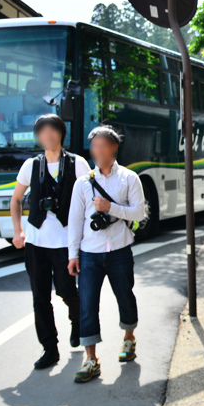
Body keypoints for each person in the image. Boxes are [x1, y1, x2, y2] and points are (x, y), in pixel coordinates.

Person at [10, 114, 91, 370]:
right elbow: (15, 200)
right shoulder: (30, 165)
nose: (48, 135)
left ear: (61, 133)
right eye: (42, 132)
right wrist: (18, 230)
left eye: (52, 130)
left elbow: (89, 199)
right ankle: (49, 349)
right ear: (38, 136)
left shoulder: (78, 164)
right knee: (40, 297)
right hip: (36, 242)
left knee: (67, 291)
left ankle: (77, 321)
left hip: (66, 242)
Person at [67, 125, 146, 383]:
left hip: (120, 249)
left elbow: (138, 213)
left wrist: (111, 207)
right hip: (90, 253)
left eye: (103, 146)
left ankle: (129, 338)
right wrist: (73, 254)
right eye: (94, 147)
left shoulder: (129, 178)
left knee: (125, 295)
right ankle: (90, 359)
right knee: (87, 305)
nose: (98, 151)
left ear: (114, 147)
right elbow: (75, 219)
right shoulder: (82, 184)